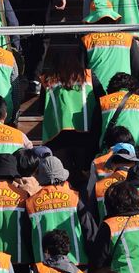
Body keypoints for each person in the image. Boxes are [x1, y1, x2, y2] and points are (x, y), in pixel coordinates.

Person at [39, 44, 101, 183]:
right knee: (85, 180)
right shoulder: (89, 77)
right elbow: (101, 101)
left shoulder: (47, 80)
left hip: (57, 138)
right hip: (86, 137)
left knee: (62, 180)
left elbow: (40, 108)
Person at [25, 156, 95, 266]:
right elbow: (89, 231)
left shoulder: (30, 203)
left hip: (44, 265)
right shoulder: (74, 197)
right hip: (76, 262)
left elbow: (27, 237)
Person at [96, 72, 139, 169]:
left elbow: (94, 135)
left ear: (110, 89)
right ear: (135, 89)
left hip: (110, 162)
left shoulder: (104, 102)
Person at [82, 0, 139, 93]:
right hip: (123, 98)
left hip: (94, 98)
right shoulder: (128, 39)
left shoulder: (86, 40)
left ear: (92, 20)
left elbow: (80, 72)